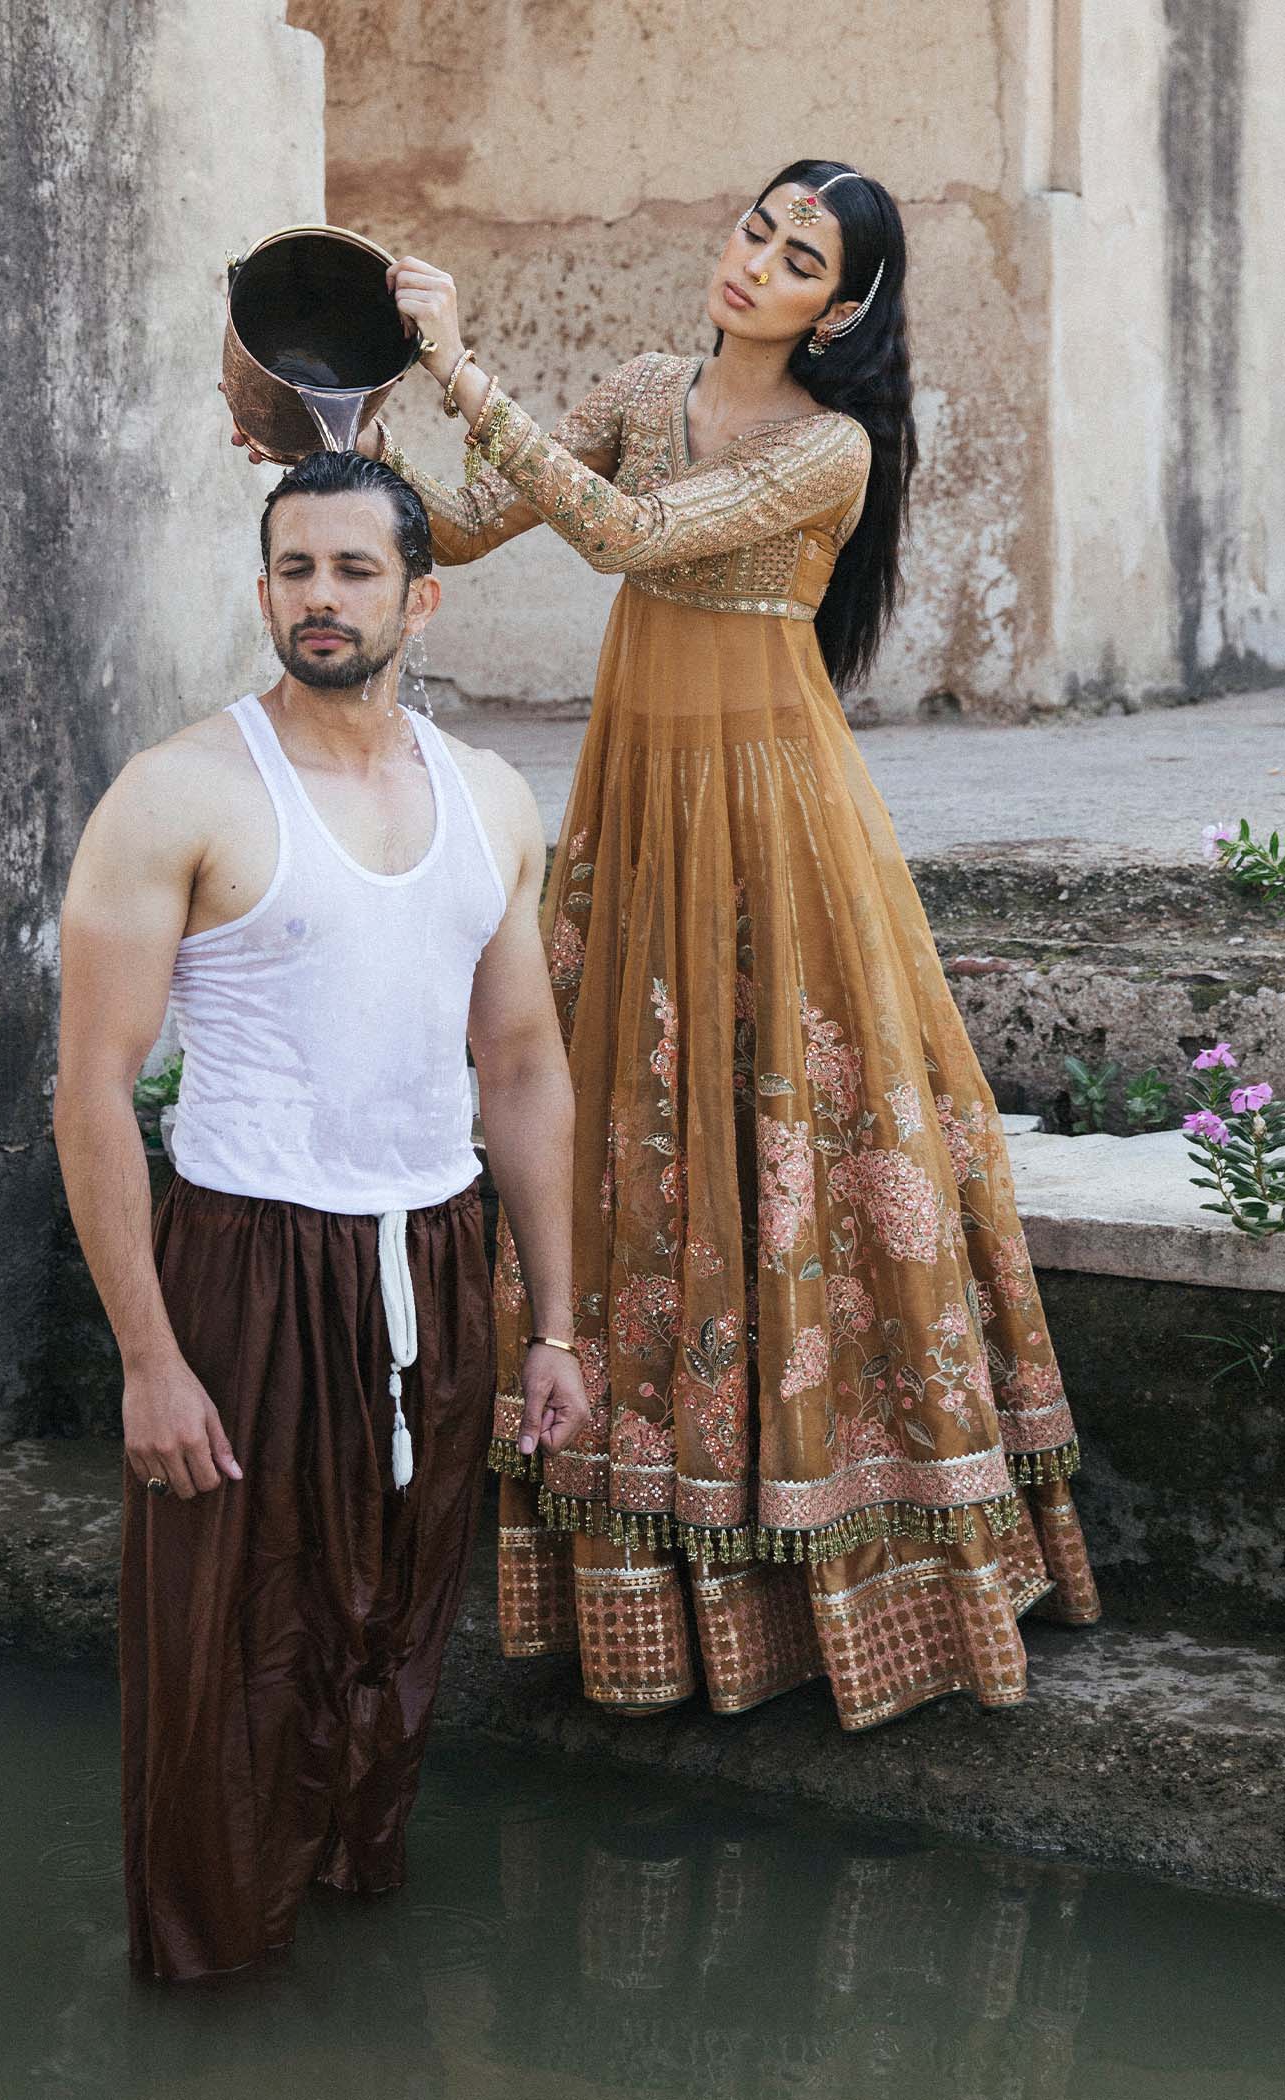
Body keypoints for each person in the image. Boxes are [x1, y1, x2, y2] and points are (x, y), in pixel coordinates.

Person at [331, 159, 1102, 1730]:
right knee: (636, 1137)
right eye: (757, 228)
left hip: (773, 817)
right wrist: (357, 422)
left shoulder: (831, 449)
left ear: (845, 308)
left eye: (800, 257)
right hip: (638, 802)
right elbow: (465, 529)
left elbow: (623, 535)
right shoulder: (640, 388)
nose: (756, 263)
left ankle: (848, 1563)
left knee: (798, 1134)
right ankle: (649, 1568)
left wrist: (463, 366)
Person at [53, 448, 589, 1982]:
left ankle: (350, 1940)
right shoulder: (180, 793)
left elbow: (522, 1064)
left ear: (421, 599)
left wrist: (554, 1326)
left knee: (392, 1626)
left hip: (433, 1252)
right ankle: (211, 1978)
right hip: (246, 1262)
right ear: (265, 589)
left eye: (356, 570)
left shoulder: (489, 798)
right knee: (227, 1651)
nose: (322, 598)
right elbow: (91, 1091)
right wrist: (149, 1360)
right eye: (295, 569)